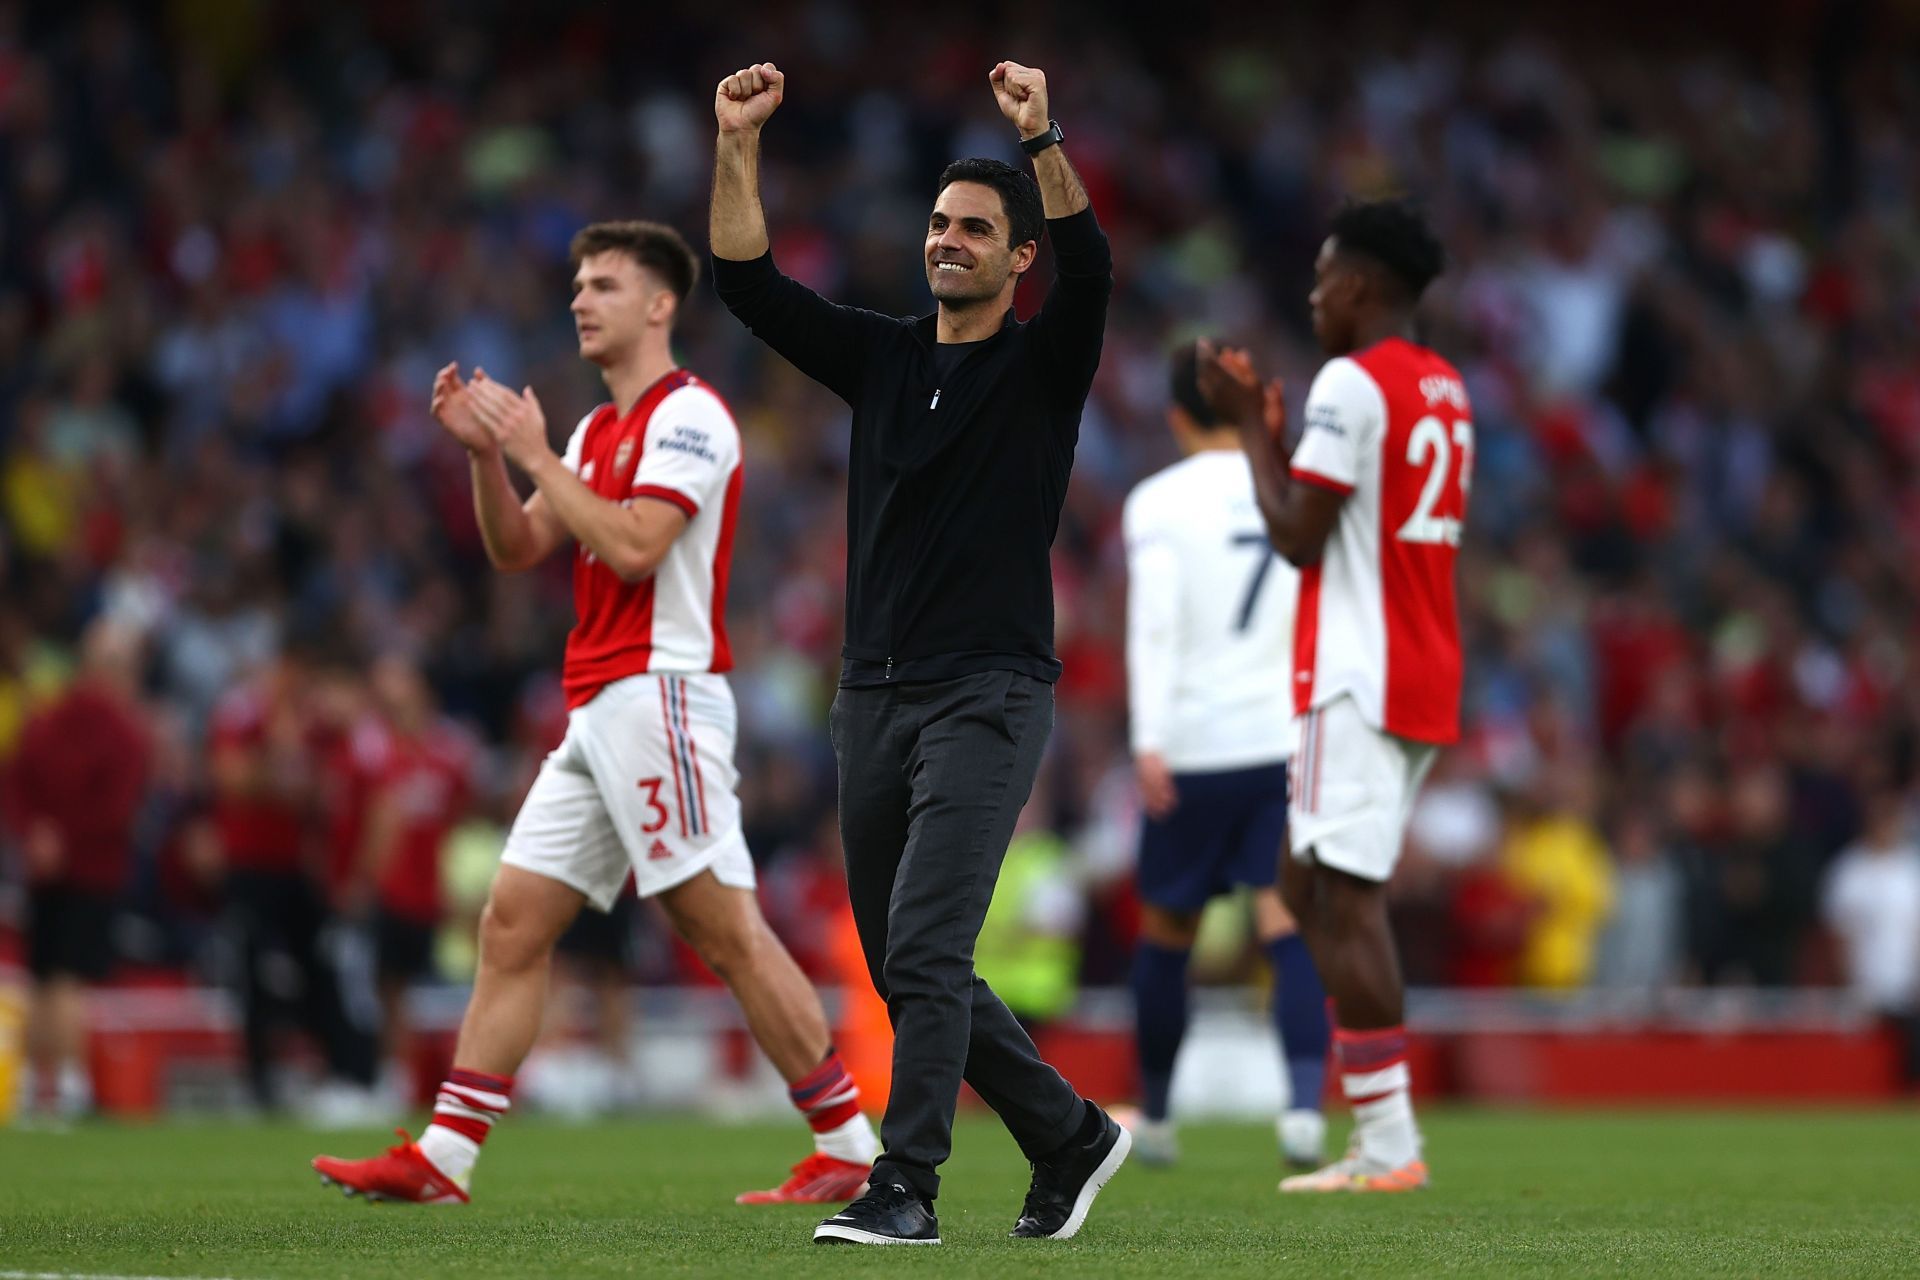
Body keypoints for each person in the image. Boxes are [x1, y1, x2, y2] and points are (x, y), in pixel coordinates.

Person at [313, 219, 878, 1206]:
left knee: (724, 929)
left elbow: (630, 546)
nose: (580, 298)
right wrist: (493, 457)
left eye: (605, 284)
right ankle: (445, 1156)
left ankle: (852, 1142)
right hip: (600, 702)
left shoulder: (691, 417)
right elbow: (519, 550)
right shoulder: (590, 431)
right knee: (512, 921)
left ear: (661, 305)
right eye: (579, 283)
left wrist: (534, 452)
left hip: (660, 691)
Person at [711, 60, 1128, 1245]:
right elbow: (745, 282)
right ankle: (1071, 1133)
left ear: (1016, 257)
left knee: (931, 943)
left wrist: (1043, 133)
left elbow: (1093, 267)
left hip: (988, 693)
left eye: (975, 231)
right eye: (941, 224)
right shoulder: (885, 357)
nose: (948, 242)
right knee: (905, 960)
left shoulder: (1045, 368)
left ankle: (909, 1184)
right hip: (872, 694)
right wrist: (737, 142)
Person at [1197, 198, 1469, 1193]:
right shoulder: (1445, 385)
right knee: (1306, 884)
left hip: (1358, 666)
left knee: (1343, 898)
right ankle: (1381, 1137)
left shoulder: (1352, 385)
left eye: (1320, 282)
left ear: (1359, 286)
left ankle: (1390, 1146)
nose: (1312, 300)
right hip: (1424, 658)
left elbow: (1298, 534)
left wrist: (1245, 430)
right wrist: (1275, 436)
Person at [1120, 340, 1329, 1170]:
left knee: (1169, 930)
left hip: (1196, 745)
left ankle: (1161, 1119)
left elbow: (1156, 624)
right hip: (1280, 740)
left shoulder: (1156, 502)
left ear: (1175, 416)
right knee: (1287, 922)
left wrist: (1148, 740)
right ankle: (1305, 1113)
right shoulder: (1288, 484)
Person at [1, 619, 152, 1121]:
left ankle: (28, 1088)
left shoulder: (46, 720)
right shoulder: (125, 732)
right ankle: (66, 1086)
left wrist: (37, 833)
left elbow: (14, 780)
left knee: (41, 976)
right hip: (92, 868)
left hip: (44, 870)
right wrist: (65, 840)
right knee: (68, 979)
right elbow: (118, 808)